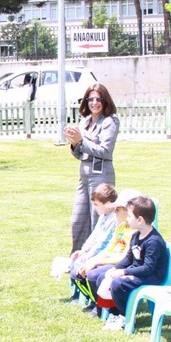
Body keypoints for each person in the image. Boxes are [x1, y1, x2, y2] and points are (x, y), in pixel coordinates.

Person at [85, 195, 168, 331]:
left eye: (129, 216)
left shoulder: (153, 241)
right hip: (138, 271)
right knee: (104, 276)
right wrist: (116, 269)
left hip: (152, 276)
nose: (127, 219)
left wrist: (123, 272)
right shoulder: (136, 235)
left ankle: (125, 315)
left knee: (118, 283)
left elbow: (148, 268)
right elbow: (129, 258)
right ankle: (114, 312)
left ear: (140, 220)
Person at [64, 84, 119, 253]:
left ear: (105, 100)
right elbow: (80, 154)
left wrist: (81, 141)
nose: (94, 103)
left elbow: (105, 150)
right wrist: (74, 143)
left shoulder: (110, 121)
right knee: (78, 220)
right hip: (85, 176)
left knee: (98, 219)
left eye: (98, 99)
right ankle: (77, 257)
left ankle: (97, 258)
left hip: (101, 176)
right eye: (91, 99)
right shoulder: (85, 122)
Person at [71, 189, 139, 316]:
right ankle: (96, 301)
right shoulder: (120, 227)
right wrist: (93, 259)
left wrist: (97, 261)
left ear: (129, 211)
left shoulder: (135, 233)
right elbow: (109, 247)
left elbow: (124, 258)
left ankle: (103, 306)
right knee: (77, 274)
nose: (115, 211)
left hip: (120, 265)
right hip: (110, 260)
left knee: (93, 275)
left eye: (117, 209)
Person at [64, 183, 118, 291]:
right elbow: (94, 235)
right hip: (95, 252)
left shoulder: (114, 220)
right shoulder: (103, 216)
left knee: (82, 265)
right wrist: (84, 250)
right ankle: (79, 293)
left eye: (96, 205)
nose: (94, 208)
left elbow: (105, 242)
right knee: (76, 259)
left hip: (105, 255)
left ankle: (92, 297)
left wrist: (91, 254)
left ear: (108, 204)